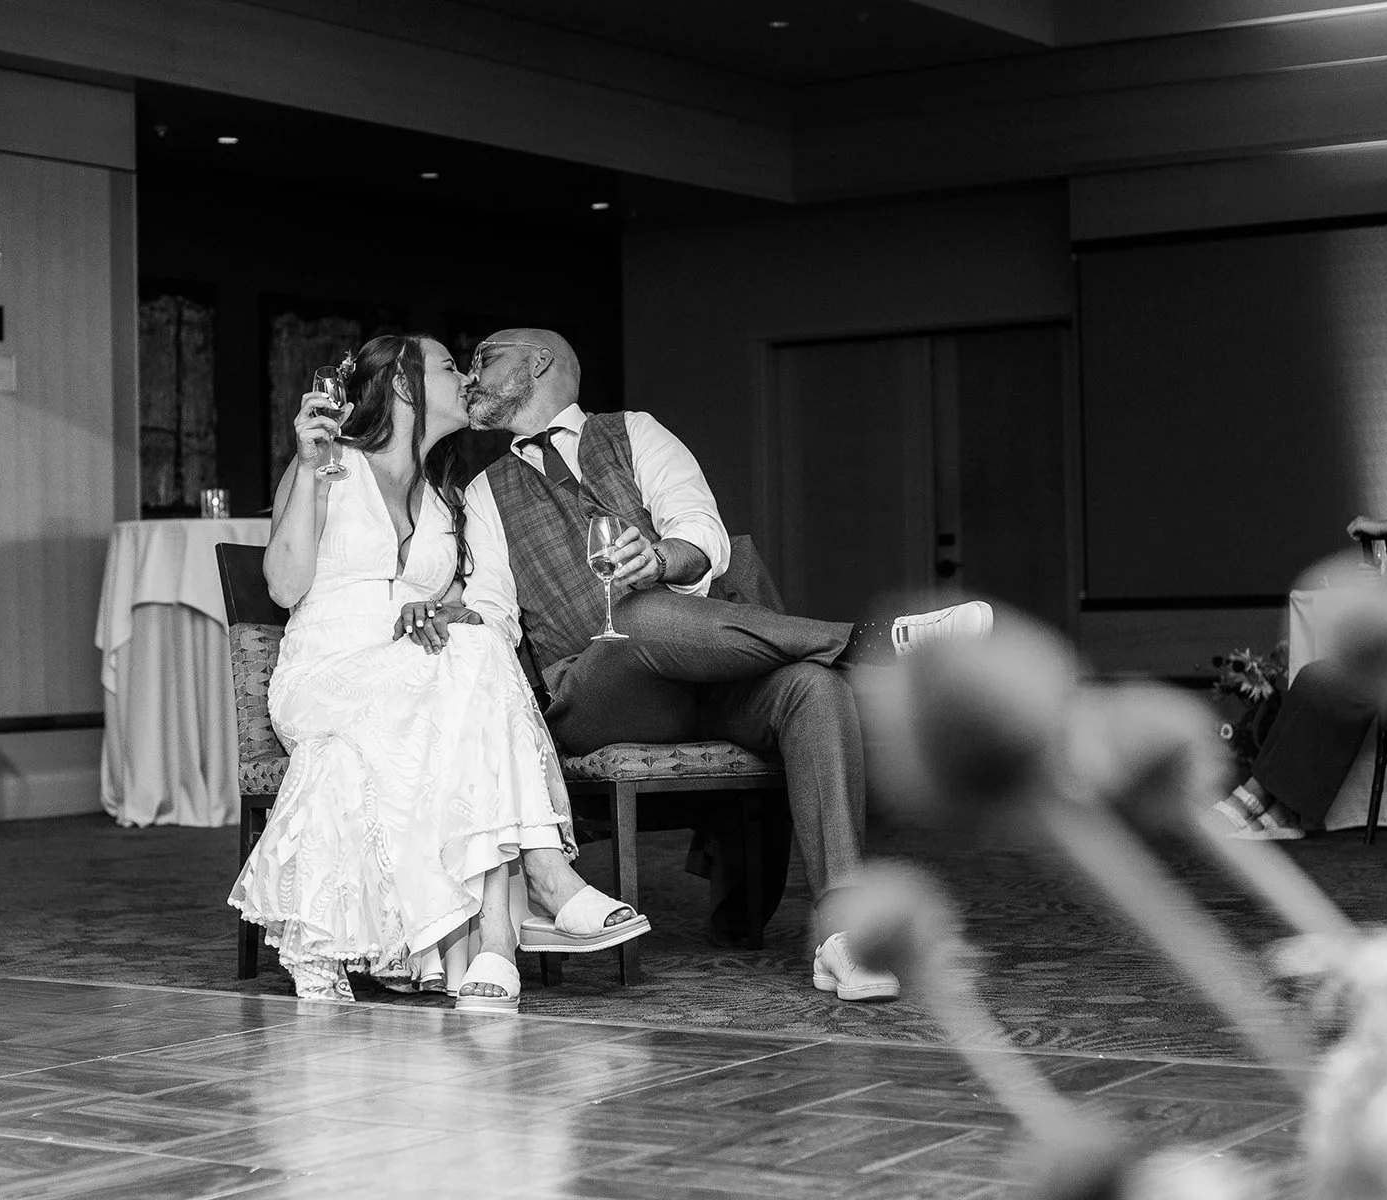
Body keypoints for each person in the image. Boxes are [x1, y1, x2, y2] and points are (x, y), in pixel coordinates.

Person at [457, 328, 993, 1001]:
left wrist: (661, 558)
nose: (471, 370)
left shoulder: (635, 432)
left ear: (537, 362)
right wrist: (459, 625)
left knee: (811, 687)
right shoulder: (483, 492)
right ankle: (867, 642)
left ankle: (842, 939)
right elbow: (492, 611)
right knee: (635, 619)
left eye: (486, 355)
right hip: (598, 692)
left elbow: (699, 529)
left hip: (707, 674)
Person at [228, 334, 646, 1009]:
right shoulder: (331, 465)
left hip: (413, 669)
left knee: (476, 652)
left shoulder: (449, 493)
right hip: (326, 674)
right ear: (400, 382)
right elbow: (282, 586)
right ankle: (540, 882)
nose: (468, 376)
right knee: (475, 664)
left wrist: (444, 609)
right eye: (453, 366)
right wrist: (306, 471)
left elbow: (464, 601)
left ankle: (488, 950)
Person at [1214, 410, 1387, 839]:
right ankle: (1283, 810)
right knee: (1315, 676)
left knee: (1356, 680)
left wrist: (1382, 528)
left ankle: (1258, 800)